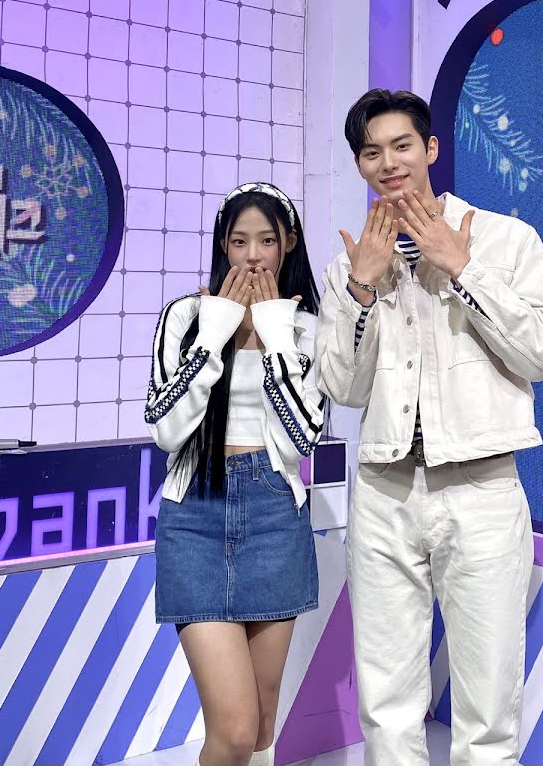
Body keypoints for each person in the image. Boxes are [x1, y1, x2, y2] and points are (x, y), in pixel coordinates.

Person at [316, 89, 543, 765]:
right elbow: (343, 387)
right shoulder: (351, 265)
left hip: (481, 489)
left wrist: (461, 266)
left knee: (487, 710)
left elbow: (542, 353)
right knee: (387, 704)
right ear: (360, 165)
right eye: (372, 152)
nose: (389, 163)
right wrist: (362, 291)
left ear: (429, 149)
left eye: (402, 145)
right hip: (383, 493)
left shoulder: (506, 240)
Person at [146, 182, 325, 766]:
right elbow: (167, 429)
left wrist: (275, 333)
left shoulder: (305, 328)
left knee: (263, 722)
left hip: (274, 515)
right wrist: (216, 330)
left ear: (287, 244)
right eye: (239, 241)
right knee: (234, 728)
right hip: (194, 514)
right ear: (223, 246)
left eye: (266, 241)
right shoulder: (186, 316)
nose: (252, 257)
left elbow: (302, 438)